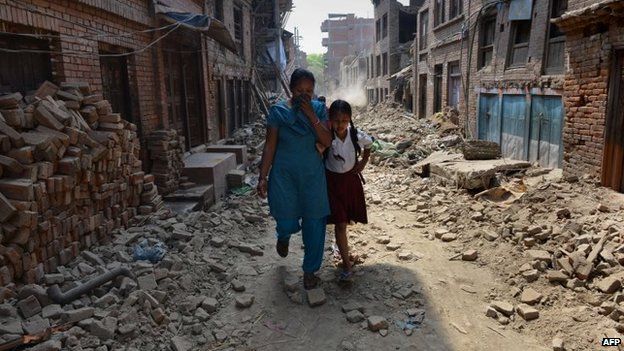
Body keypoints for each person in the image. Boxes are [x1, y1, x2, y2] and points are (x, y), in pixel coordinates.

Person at [257, 68, 333, 290]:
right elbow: (270, 144)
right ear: (291, 90)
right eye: (300, 90)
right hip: (284, 175)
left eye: (309, 91)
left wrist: (311, 115)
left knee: (315, 222)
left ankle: (310, 271)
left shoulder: (319, 109)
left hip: (312, 176)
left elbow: (327, 141)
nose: (304, 95)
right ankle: (284, 234)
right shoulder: (278, 112)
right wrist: (263, 176)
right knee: (286, 217)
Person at [324, 100, 373, 281]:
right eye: (336, 120)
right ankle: (347, 265)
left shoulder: (355, 135)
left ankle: (344, 257)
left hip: (350, 183)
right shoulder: (327, 136)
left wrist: (363, 163)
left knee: (345, 221)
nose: (340, 124)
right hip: (332, 185)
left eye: (344, 120)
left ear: (350, 119)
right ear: (330, 120)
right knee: (340, 223)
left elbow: (369, 145)